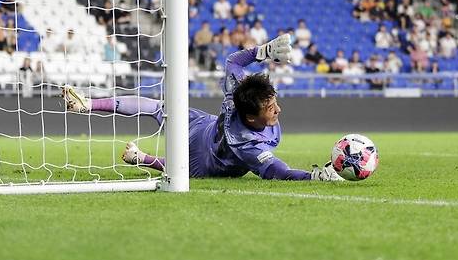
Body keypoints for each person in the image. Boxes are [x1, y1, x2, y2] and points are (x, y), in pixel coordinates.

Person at [61, 35, 341, 181]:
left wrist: (263, 52)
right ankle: (143, 158)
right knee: (183, 171)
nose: (277, 109)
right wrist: (315, 176)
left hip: (204, 126)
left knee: (160, 107)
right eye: (270, 108)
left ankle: (89, 103)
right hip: (207, 158)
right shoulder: (247, 145)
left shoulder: (239, 91)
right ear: (251, 116)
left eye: (274, 101)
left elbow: (233, 62)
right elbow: (278, 171)